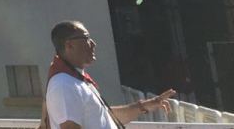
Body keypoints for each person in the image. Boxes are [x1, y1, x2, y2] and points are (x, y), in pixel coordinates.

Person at [44, 20, 175, 129]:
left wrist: (145, 106)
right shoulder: (63, 84)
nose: (93, 44)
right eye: (86, 38)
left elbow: (106, 117)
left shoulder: (76, 80)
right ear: (69, 45)